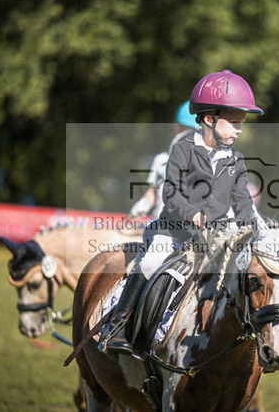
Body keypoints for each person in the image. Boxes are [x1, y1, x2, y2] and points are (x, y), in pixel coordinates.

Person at [100, 69, 263, 356]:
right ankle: (117, 329)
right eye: (234, 122)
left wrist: (255, 227)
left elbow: (242, 202)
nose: (239, 130)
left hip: (213, 239)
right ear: (209, 119)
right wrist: (192, 213)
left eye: (241, 123)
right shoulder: (183, 150)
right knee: (151, 262)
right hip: (173, 233)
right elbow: (170, 193)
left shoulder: (236, 160)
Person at [128, 101, 201, 220]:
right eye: (185, 129)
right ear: (177, 129)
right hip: (159, 223)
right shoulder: (161, 159)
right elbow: (153, 192)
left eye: (194, 132)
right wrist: (143, 205)